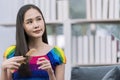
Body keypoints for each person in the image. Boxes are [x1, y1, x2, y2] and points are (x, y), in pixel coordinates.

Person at [1, 4, 66, 80]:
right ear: (22, 26)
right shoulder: (11, 52)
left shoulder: (56, 54)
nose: (36, 25)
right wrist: (3, 69)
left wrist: (50, 73)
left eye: (39, 19)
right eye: (29, 22)